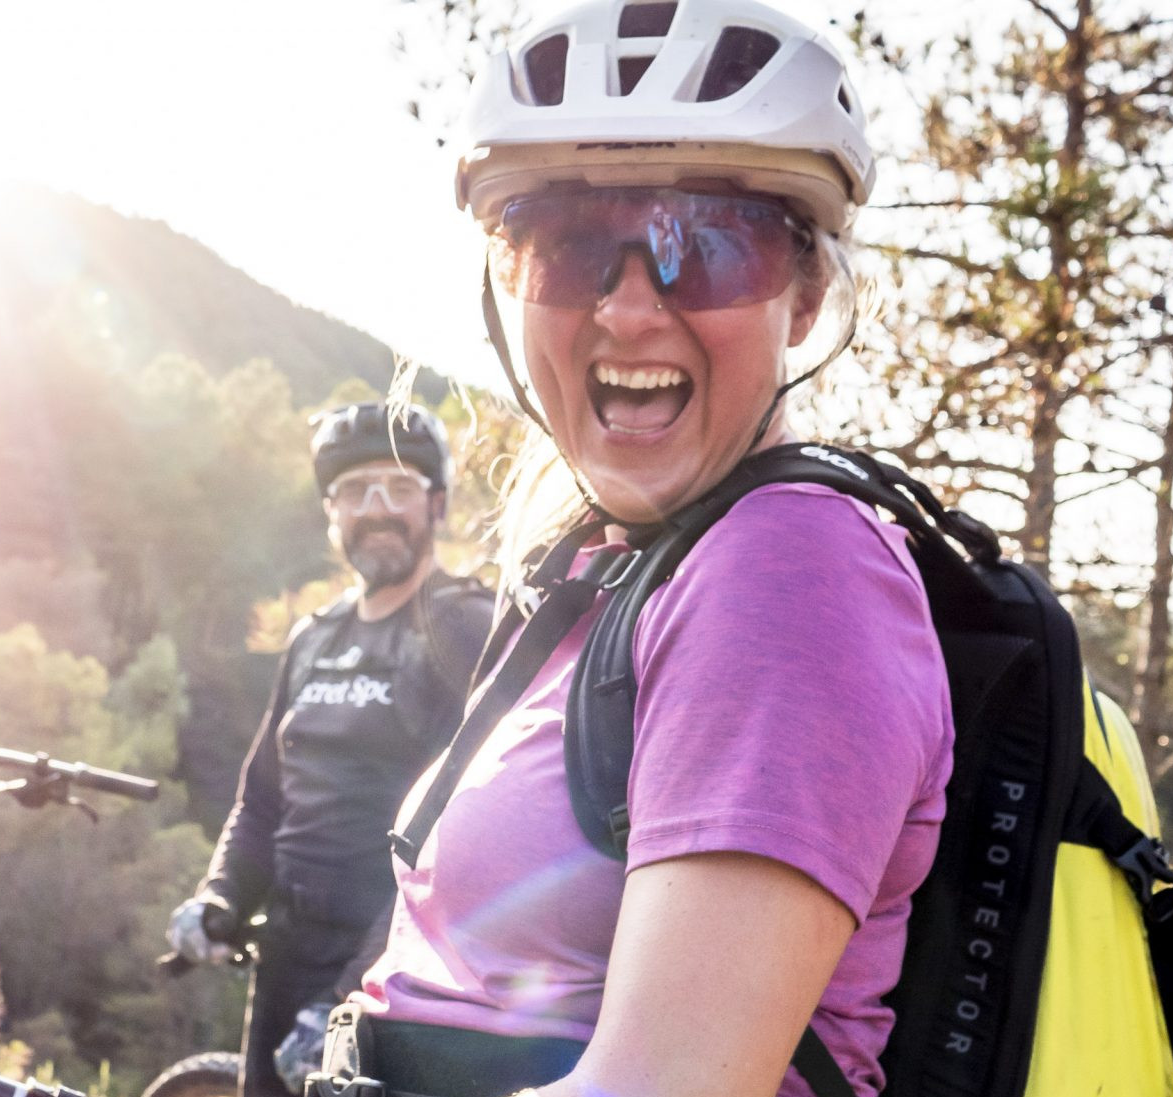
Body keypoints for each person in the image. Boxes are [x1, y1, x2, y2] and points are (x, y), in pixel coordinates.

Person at [340, 3, 955, 1097]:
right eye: (566, 246)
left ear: (806, 295)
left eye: (709, 247)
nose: (627, 311)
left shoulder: (790, 567)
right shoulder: (603, 565)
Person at [167, 402, 496, 1097]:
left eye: (400, 487)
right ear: (331, 512)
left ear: (437, 505)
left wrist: (350, 997)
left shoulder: (466, 629)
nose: (377, 508)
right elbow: (262, 799)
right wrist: (221, 895)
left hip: (394, 973)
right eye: (355, 490)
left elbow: (462, 841)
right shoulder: (312, 638)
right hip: (285, 959)